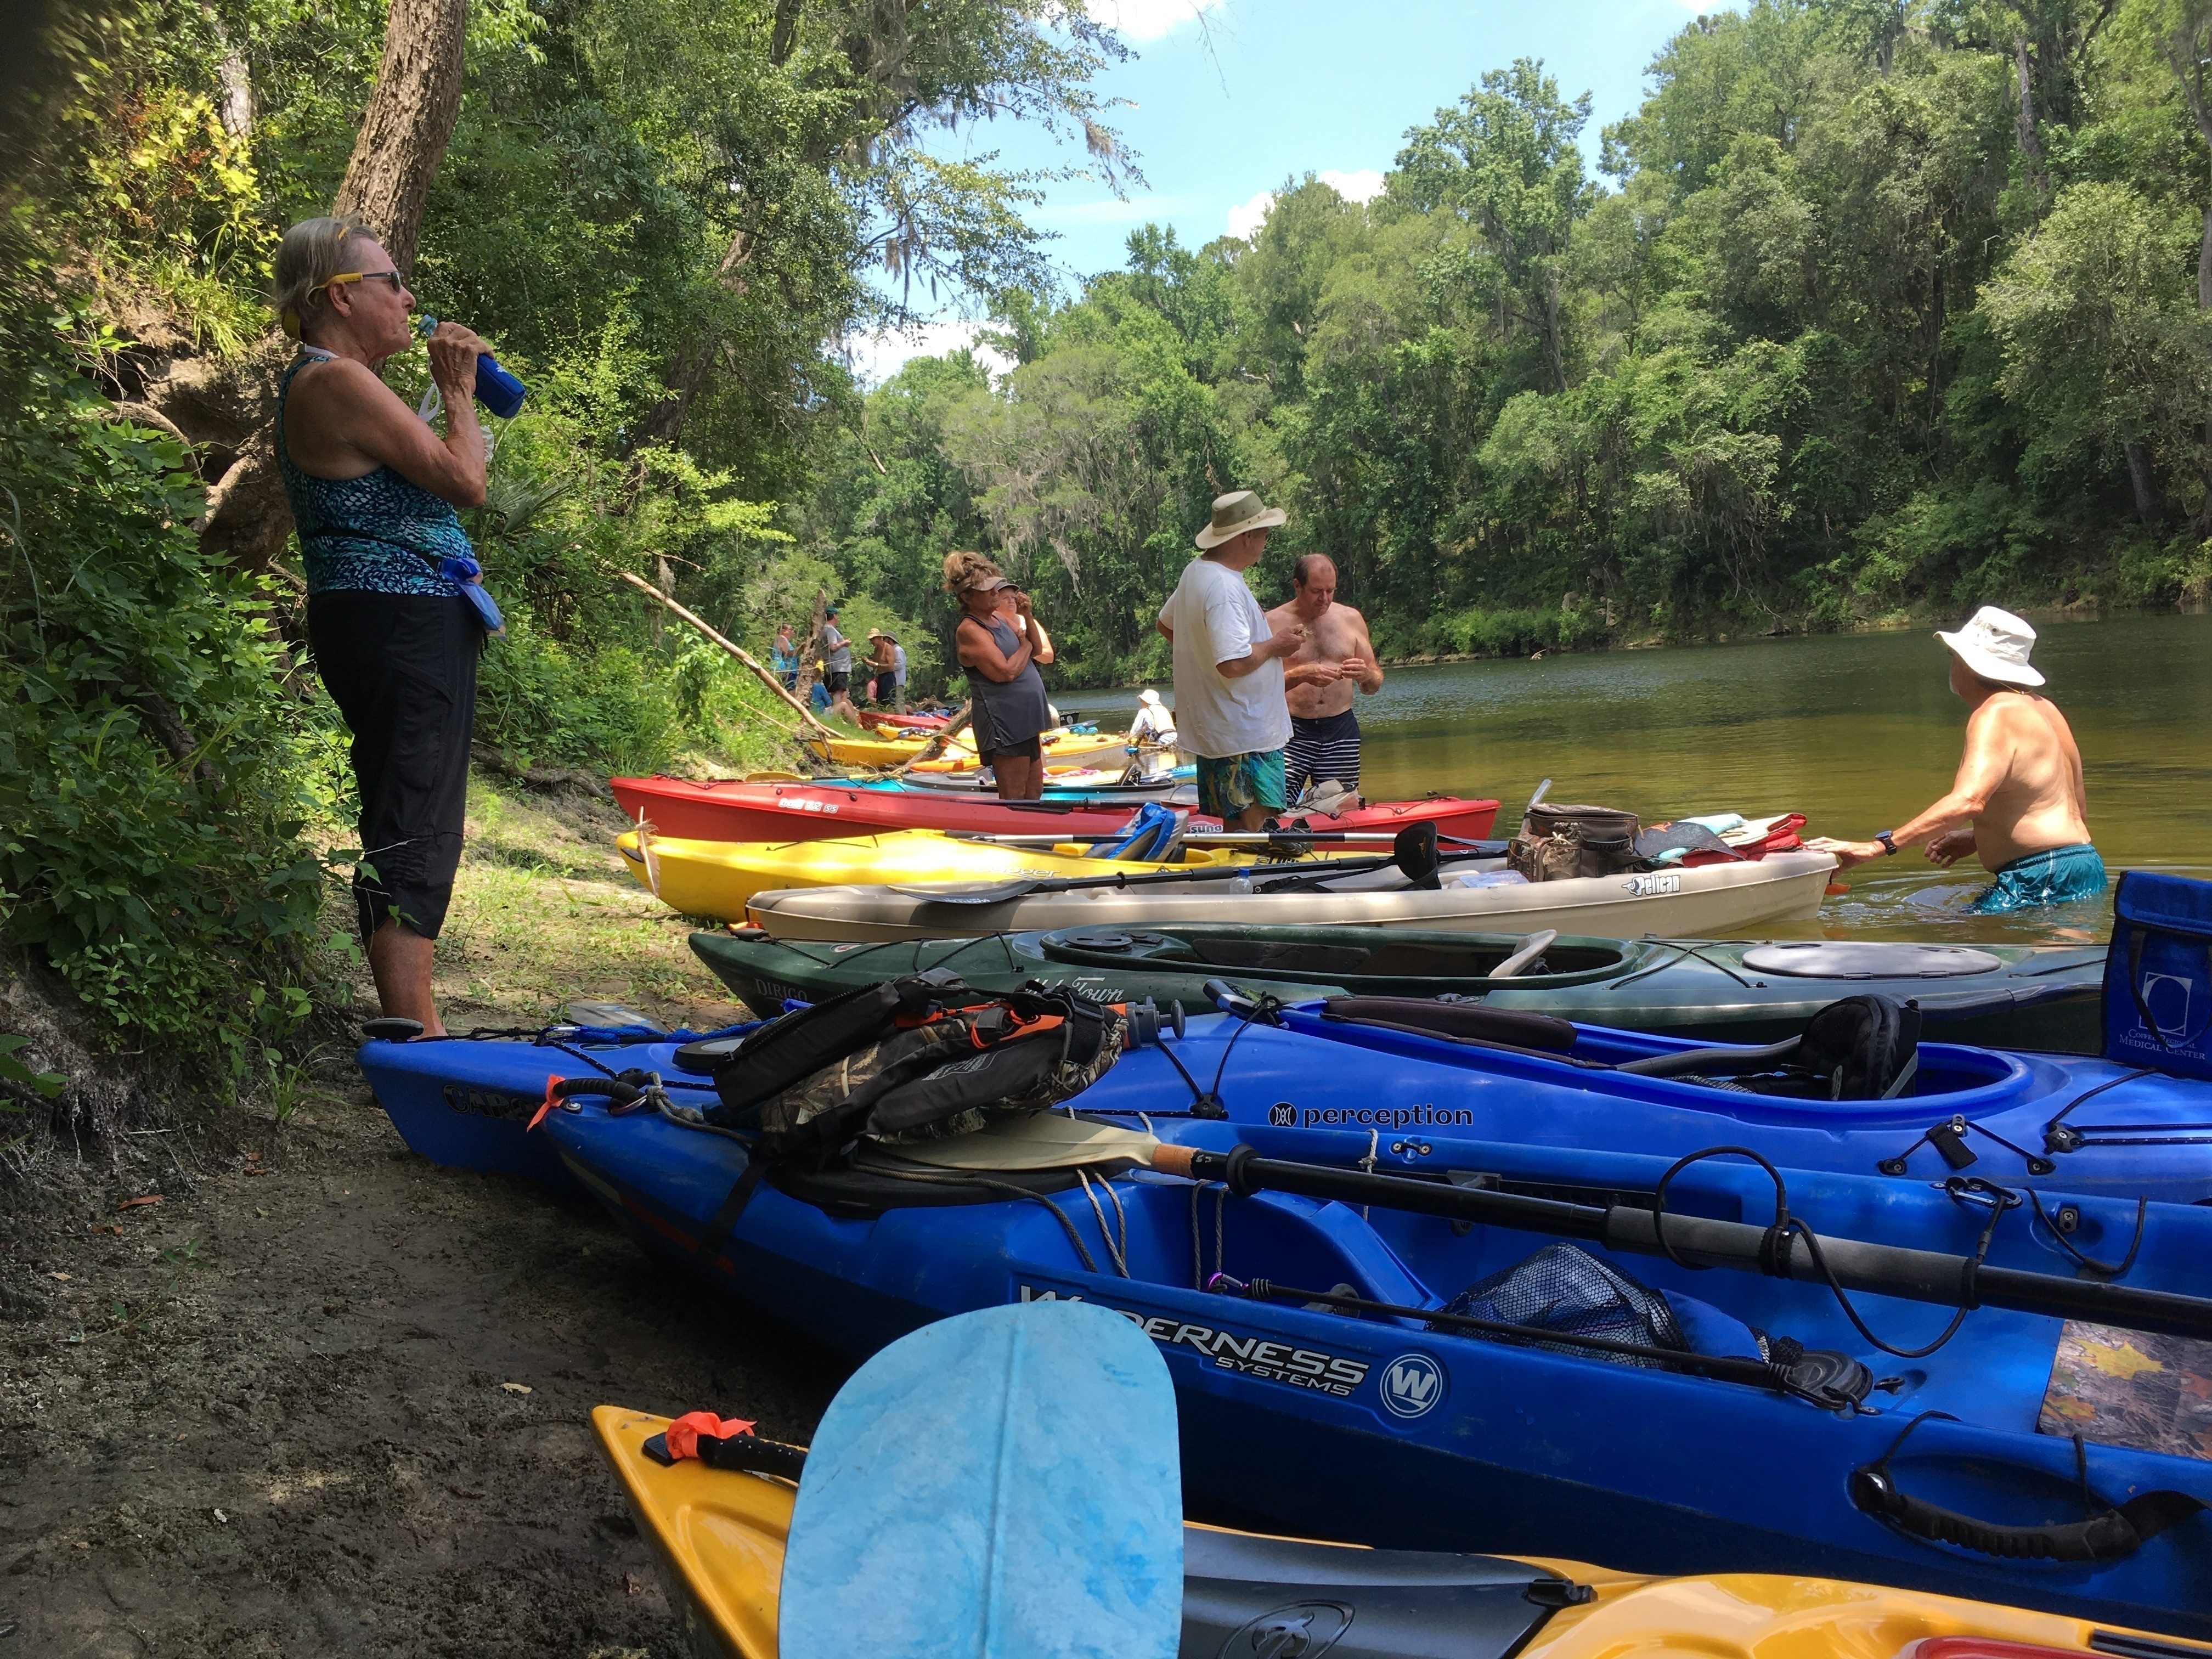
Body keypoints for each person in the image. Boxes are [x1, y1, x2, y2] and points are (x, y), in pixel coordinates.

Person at [270, 215, 492, 1038]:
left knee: (405, 807)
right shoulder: (338, 381)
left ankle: (413, 1029)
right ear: (338, 296)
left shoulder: (335, 380)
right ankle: (415, 1040)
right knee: (416, 819)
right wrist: (461, 389)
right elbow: (465, 480)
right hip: (398, 619)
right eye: (391, 282)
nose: (407, 298)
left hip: (386, 616)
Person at [1807, 606, 2105, 913]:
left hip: (2041, 874)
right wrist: (1980, 838)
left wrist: (1878, 846)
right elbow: (2071, 811)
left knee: (1950, 946)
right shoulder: (2045, 709)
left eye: (1954, 657)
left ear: (1967, 663)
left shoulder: (1995, 713)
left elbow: (1968, 802)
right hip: (2082, 865)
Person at [1155, 489, 1328, 830]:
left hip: (1222, 732)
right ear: (1247, 536)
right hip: (1245, 737)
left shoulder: (1196, 572)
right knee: (1259, 829)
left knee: (1237, 832)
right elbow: (1232, 665)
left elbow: (1166, 624)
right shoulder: (1223, 588)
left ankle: (1241, 879)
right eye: (1264, 532)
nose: (1266, 539)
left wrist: (1206, 654)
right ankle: (1258, 882)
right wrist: (1275, 645)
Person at [1266, 554, 1383, 799]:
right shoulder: (1272, 622)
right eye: (1317, 591)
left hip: (1339, 727)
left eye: (1331, 590)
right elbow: (1255, 689)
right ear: (1298, 586)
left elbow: (1373, 684)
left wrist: (1365, 675)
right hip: (1289, 729)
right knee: (1276, 807)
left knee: (1339, 808)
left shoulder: (1350, 619)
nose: (1325, 599)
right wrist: (1301, 674)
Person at [945, 551, 1054, 799]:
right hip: (1004, 723)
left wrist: (1027, 616)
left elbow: (1036, 649)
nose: (997, 592)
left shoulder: (998, 618)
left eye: (996, 586)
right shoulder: (970, 629)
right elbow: (1005, 672)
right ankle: (1014, 836)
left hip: (1027, 719)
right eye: (988, 589)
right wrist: (1025, 646)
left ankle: (1036, 835)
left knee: (1035, 789)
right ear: (967, 597)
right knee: (1014, 795)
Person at [1126, 688, 1178, 781]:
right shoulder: (1163, 709)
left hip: (1163, 739)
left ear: (1146, 701)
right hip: (1175, 738)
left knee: (1152, 769)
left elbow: (1135, 730)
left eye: (1142, 700)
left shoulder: (1144, 711)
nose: (1141, 702)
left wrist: (1129, 738)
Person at [817, 607, 853, 703]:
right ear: (834, 616)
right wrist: (845, 643)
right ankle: (835, 714)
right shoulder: (830, 629)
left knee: (836, 692)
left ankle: (837, 713)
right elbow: (832, 647)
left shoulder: (824, 629)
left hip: (832, 666)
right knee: (839, 692)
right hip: (838, 667)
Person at [769, 622, 799, 689]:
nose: (793, 631)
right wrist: (800, 648)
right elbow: (788, 654)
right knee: (790, 690)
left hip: (787, 670)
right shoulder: (781, 639)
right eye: (791, 629)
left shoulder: (785, 640)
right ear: (784, 631)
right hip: (782, 669)